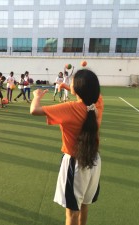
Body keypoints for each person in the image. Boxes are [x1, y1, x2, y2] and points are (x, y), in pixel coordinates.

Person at [30, 69, 103, 225]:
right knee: (84, 205)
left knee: (72, 213)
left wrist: (36, 96)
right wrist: (66, 86)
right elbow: (86, 93)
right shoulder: (97, 103)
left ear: (76, 88)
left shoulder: (70, 108)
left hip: (75, 164)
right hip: (94, 161)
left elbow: (34, 110)